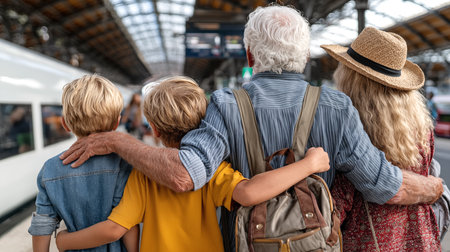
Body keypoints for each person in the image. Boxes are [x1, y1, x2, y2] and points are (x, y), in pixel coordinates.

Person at [59, 5, 443, 251]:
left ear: (248, 55)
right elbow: (382, 187)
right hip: (315, 242)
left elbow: (183, 175)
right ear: (304, 55)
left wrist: (116, 140)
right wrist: (434, 187)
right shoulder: (338, 107)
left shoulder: (224, 105)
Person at [55, 76, 331, 252]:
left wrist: (63, 240)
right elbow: (249, 193)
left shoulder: (143, 175)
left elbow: (117, 227)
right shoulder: (213, 171)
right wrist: (309, 164)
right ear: (203, 122)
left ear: (154, 130)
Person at [322, 27, 441, 250]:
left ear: (351, 77)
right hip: (420, 240)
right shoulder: (422, 129)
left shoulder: (353, 131)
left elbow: (335, 205)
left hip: (370, 243)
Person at [28, 75, 139, 252]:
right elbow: (128, 225)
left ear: (65, 124)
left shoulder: (50, 169)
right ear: (117, 123)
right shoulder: (124, 164)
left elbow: (42, 223)